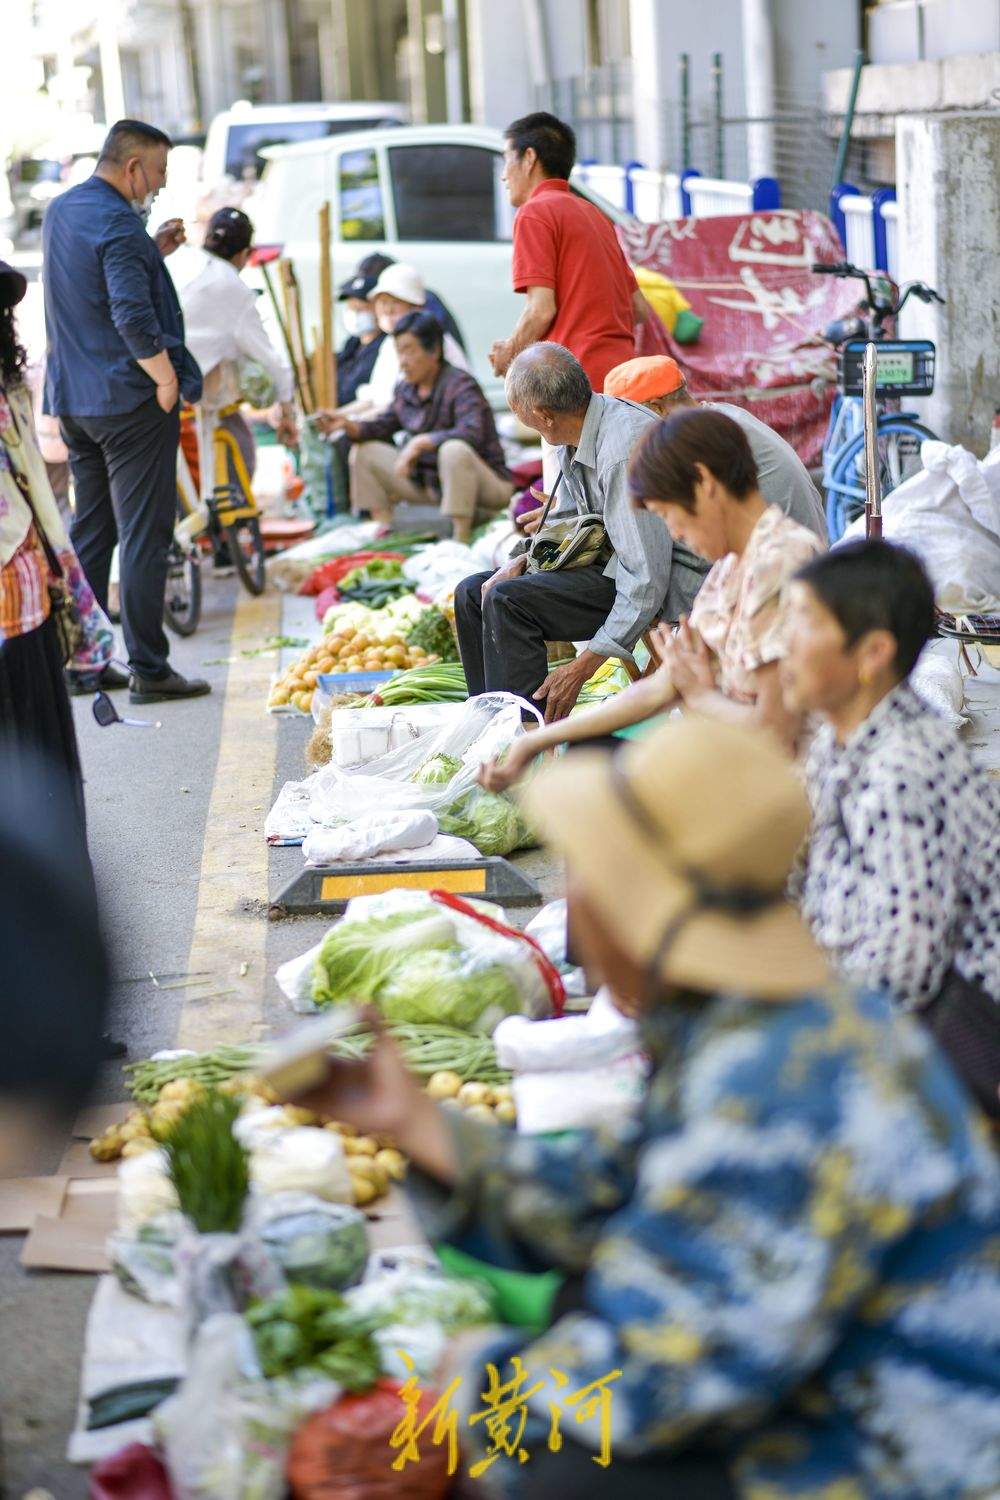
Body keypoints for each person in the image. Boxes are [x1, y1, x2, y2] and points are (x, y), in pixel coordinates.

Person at [294, 716, 1000, 1499]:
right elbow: (617, 1190)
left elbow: (658, 1380)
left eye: (585, 872)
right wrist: (416, 1123)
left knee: (543, 1464)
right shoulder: (745, 1026)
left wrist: (465, 1385)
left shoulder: (773, 1079)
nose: (571, 894)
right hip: (821, 1387)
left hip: (902, 1457)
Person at [481, 407, 821, 789]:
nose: (674, 534)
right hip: (727, 757)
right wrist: (538, 740)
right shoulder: (729, 569)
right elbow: (663, 687)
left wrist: (703, 698)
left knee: (594, 782)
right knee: (584, 759)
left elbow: (777, 731)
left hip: (778, 785)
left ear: (705, 484)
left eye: (668, 514)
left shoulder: (779, 562)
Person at [781, 539, 1000, 1119]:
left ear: (873, 652)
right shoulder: (841, 733)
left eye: (805, 627)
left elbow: (907, 966)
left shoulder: (901, 771)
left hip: (957, 1030)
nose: (786, 646)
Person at [42, 118, 209, 705]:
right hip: (128, 399)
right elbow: (132, 318)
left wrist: (150, 249)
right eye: (158, 172)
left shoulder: (64, 210)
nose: (159, 186)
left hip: (76, 401)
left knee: (93, 527)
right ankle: (149, 667)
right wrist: (165, 380)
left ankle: (83, 658)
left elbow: (89, 283)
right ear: (133, 167)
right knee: (144, 532)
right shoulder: (117, 223)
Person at [456, 343, 704, 721]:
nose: (518, 418)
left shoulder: (621, 450)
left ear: (543, 415)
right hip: (613, 564)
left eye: (518, 411)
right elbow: (571, 527)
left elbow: (646, 578)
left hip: (663, 581)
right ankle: (490, 724)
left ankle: (531, 739)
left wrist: (582, 667)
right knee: (473, 592)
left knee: (509, 601)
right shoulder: (575, 433)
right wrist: (523, 560)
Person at [489, 111, 644, 491]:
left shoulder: (534, 213)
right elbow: (638, 309)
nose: (504, 174)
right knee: (615, 502)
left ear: (529, 159)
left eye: (507, 160)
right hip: (620, 384)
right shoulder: (593, 214)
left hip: (568, 392)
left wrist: (510, 353)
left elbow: (542, 308)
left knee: (572, 522)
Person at [317, 312, 513, 544]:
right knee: (365, 452)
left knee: (453, 450)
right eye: (399, 351)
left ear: (434, 351)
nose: (403, 361)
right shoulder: (406, 389)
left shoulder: (461, 385)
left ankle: (460, 539)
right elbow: (382, 425)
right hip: (432, 486)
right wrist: (347, 425)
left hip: (486, 490)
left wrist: (421, 443)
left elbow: (472, 432)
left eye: (409, 350)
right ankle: (382, 531)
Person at [604, 354, 829, 541]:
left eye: (629, 421)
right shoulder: (717, 415)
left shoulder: (697, 438)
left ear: (658, 408)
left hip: (788, 562)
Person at [180, 205, 298, 486]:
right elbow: (270, 359)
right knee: (239, 458)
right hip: (184, 409)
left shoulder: (186, 264)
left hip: (169, 395)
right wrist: (288, 412)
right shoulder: (231, 286)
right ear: (245, 254)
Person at [348, 263, 469, 416]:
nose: (387, 310)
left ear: (417, 308)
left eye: (395, 302)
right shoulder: (389, 344)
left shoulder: (428, 341)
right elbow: (375, 398)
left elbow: (397, 410)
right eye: (383, 302)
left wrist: (352, 424)